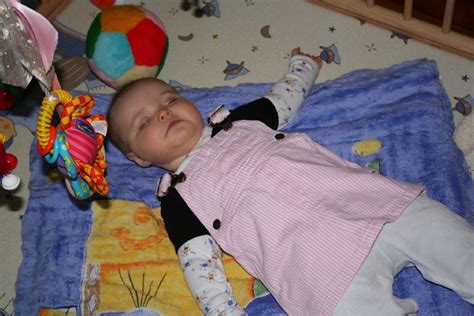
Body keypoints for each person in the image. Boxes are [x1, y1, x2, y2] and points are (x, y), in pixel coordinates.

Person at [107, 47, 474, 315]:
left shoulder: (239, 121)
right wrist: (224, 310)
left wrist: (304, 66)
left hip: (369, 206)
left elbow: (283, 100)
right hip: (318, 269)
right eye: (143, 122)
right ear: (138, 159)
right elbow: (199, 265)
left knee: (444, 234)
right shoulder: (178, 199)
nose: (163, 113)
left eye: (169, 99)